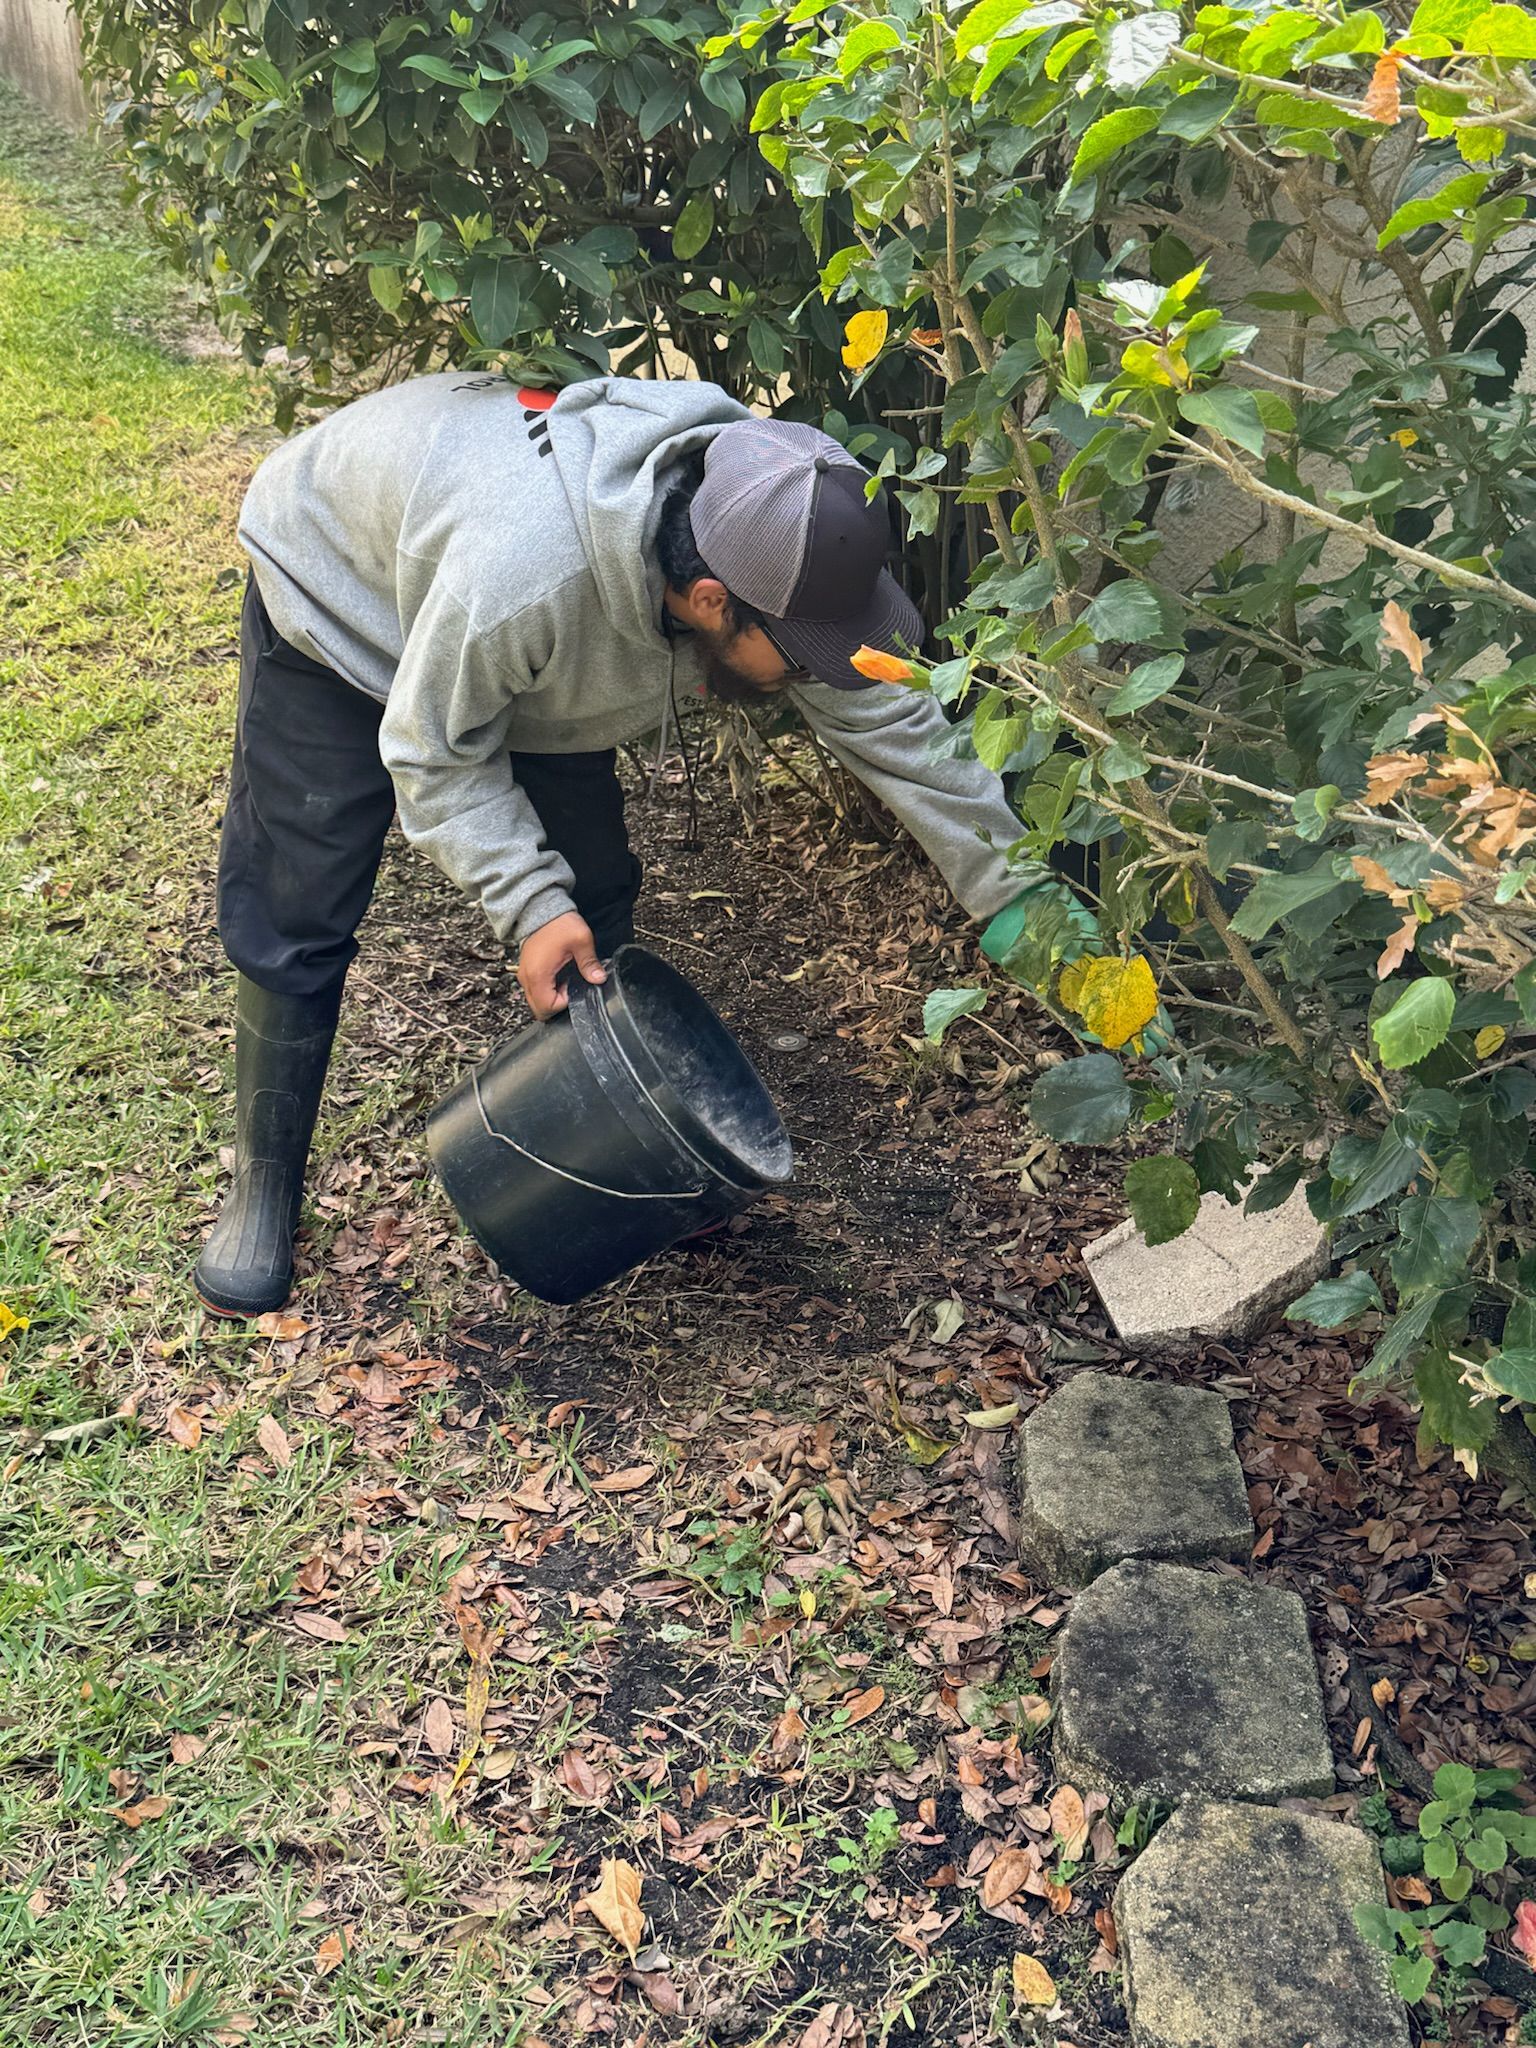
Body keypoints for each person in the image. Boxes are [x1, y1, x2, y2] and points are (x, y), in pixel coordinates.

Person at [196, 371, 1037, 1319]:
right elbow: (432, 753)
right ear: (712, 599)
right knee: (300, 896)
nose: (818, 670)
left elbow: (891, 720)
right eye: (803, 651)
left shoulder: (763, 507)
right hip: (342, 585)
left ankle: (627, 1148)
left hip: (517, 632)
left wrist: (1022, 898)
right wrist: (526, 905)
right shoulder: (520, 581)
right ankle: (262, 1185)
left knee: (592, 893)